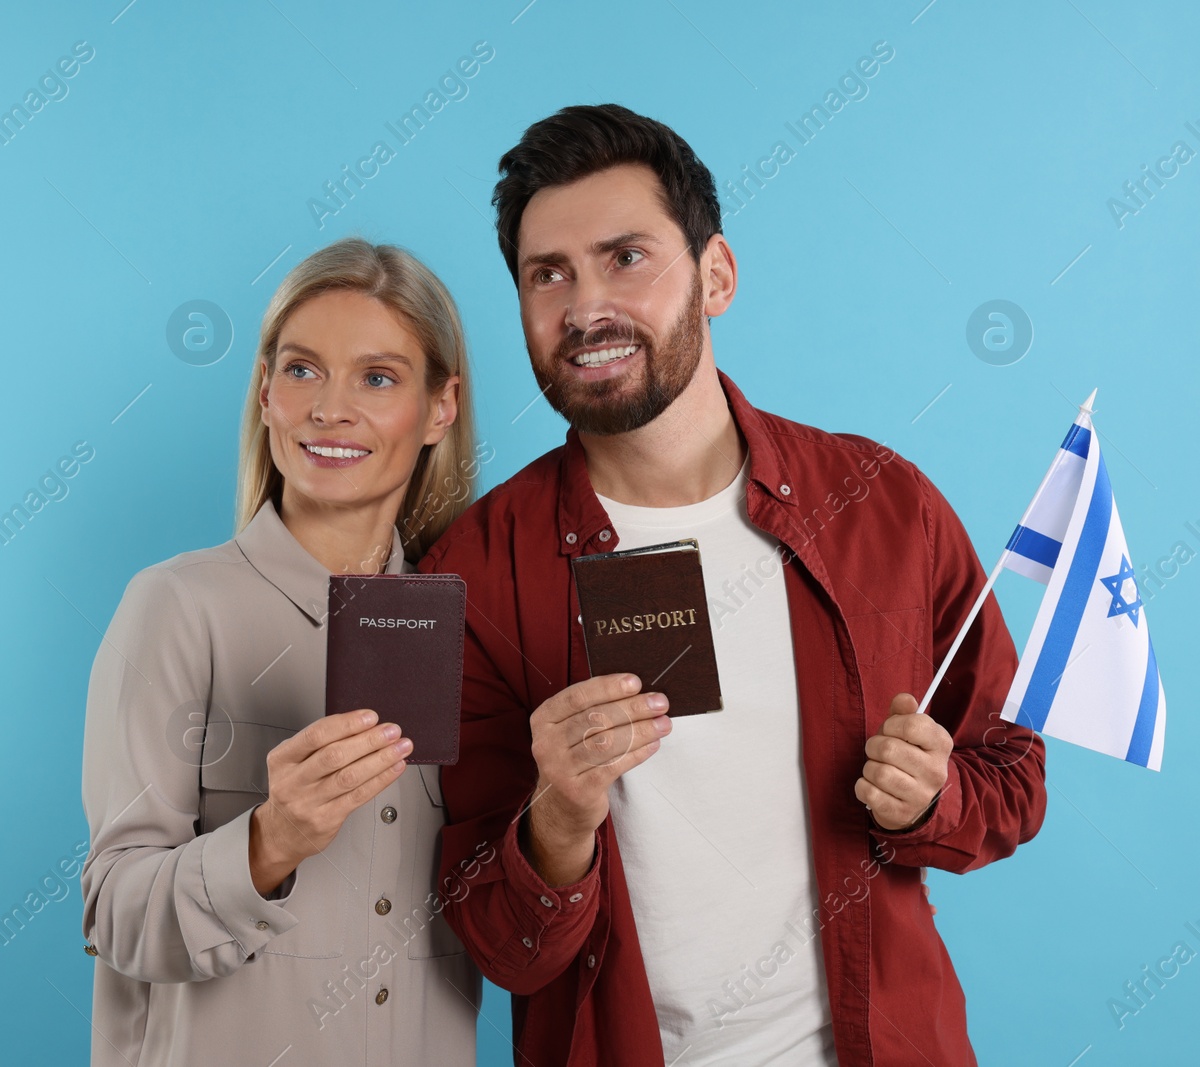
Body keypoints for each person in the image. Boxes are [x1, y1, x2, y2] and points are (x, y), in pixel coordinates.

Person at [420, 104, 1047, 1067]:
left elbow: (1013, 770)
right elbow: (491, 935)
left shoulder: (885, 502)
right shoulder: (467, 571)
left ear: (716, 276)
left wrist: (934, 801)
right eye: (550, 274)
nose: (585, 308)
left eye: (626, 256)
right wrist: (555, 824)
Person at [80, 237, 483, 1065]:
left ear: (441, 407)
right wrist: (270, 840)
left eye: (377, 378)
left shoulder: (476, 631)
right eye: (302, 370)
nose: (330, 409)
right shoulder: (175, 607)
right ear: (265, 393)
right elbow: (115, 914)